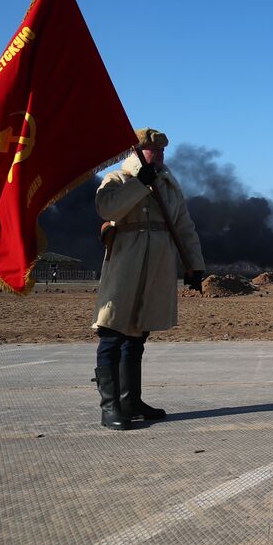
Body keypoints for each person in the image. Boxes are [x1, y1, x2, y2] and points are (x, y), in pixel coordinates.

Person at [93, 128, 205, 430]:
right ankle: (110, 407)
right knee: (112, 330)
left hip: (157, 267)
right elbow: (108, 207)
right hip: (125, 265)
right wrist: (141, 185)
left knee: (137, 334)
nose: (161, 154)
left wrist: (194, 266)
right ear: (137, 151)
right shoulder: (118, 180)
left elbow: (184, 227)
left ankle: (131, 401)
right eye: (154, 150)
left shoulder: (169, 187)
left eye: (162, 151)